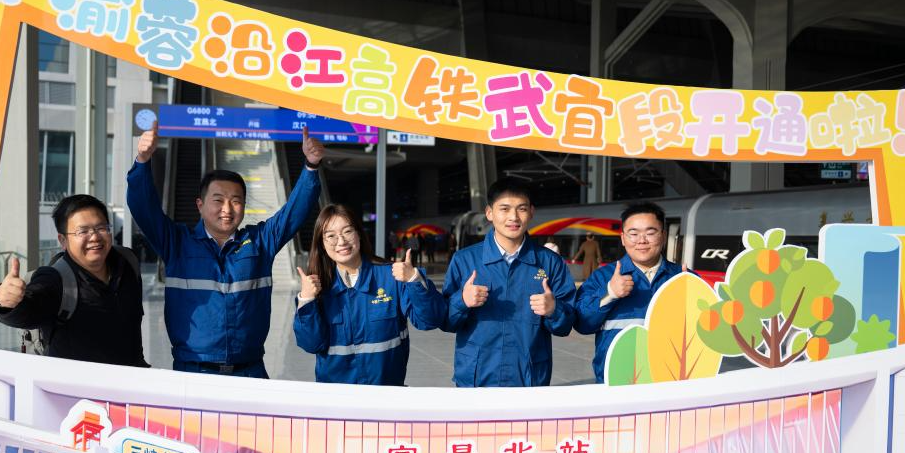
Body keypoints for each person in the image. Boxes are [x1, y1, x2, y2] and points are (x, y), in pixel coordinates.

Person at [127, 123, 323, 377]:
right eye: (218, 200)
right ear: (200, 205)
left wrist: (311, 167)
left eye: (236, 201)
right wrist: (143, 161)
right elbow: (143, 208)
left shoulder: (260, 242)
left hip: (250, 371)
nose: (227, 209)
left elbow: (294, 213)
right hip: (193, 373)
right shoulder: (176, 243)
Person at [441, 178, 577, 387]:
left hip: (530, 381)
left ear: (531, 212)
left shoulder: (550, 263)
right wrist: (462, 301)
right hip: (476, 381)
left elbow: (566, 326)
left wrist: (554, 310)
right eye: (504, 209)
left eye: (521, 209)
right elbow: (445, 322)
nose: (513, 217)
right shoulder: (464, 260)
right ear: (489, 213)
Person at [293, 205, 446, 385]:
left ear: (359, 234)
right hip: (336, 397)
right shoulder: (320, 287)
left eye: (347, 231)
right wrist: (306, 300)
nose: (341, 241)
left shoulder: (391, 278)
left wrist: (414, 279)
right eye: (331, 236)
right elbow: (311, 344)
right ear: (322, 243)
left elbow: (429, 320)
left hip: (385, 393)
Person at [0, 195, 146, 366]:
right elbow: (30, 307)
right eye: (83, 231)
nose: (94, 237)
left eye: (101, 228)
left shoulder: (127, 262)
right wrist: (2, 301)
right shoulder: (55, 279)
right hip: (76, 382)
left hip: (133, 378)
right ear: (63, 240)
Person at [574, 202, 685, 383]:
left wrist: (690, 292)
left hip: (670, 382)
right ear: (623, 238)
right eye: (633, 234)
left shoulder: (683, 278)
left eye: (650, 233)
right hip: (618, 381)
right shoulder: (603, 277)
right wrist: (610, 293)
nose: (642, 240)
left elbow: (707, 330)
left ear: (663, 236)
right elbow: (582, 323)